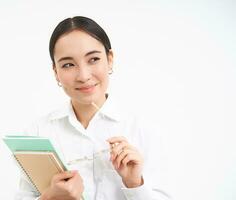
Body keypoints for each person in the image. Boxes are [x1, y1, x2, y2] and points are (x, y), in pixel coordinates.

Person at [15, 16, 172, 200]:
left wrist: (135, 184)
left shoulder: (144, 131)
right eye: (68, 65)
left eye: (93, 59)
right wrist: (50, 197)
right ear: (55, 71)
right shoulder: (38, 132)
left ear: (110, 59)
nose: (83, 75)